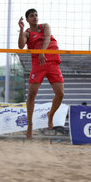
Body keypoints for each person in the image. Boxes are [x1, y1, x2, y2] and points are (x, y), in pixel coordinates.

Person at [18, 8, 64, 139]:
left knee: (60, 94)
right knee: (32, 95)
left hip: (52, 62)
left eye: (36, 15)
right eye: (32, 16)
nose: (35, 17)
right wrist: (21, 29)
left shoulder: (45, 26)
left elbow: (48, 38)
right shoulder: (27, 33)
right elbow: (21, 46)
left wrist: (42, 52)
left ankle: (51, 115)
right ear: (27, 20)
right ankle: (30, 125)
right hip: (38, 63)